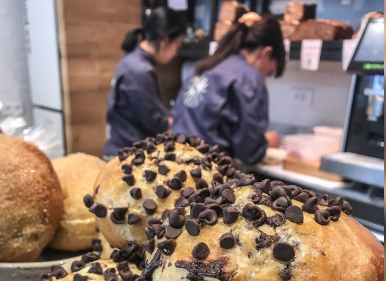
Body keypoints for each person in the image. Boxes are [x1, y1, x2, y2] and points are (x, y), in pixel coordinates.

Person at [172, 14, 285, 165]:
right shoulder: (250, 78)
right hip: (209, 175)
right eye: (269, 72)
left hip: (174, 165)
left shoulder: (206, 66)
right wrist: (267, 143)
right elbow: (248, 152)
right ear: (266, 53)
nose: (265, 77)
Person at [103, 7, 186, 158]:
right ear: (164, 40)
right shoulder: (140, 70)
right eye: (177, 46)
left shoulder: (132, 60)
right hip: (127, 156)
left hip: (119, 146)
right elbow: (156, 122)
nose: (176, 53)